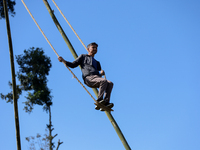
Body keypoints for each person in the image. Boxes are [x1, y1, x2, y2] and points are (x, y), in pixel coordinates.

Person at [58, 42, 114, 110]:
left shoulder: (97, 62)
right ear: (88, 49)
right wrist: (63, 61)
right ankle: (99, 100)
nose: (95, 49)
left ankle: (106, 102)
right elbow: (73, 65)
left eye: (96, 48)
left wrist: (101, 74)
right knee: (104, 81)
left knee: (110, 83)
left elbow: (97, 75)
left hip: (96, 78)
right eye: (93, 47)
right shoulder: (83, 57)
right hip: (88, 78)